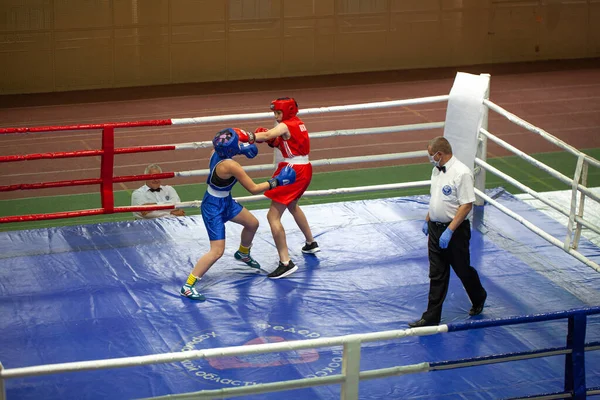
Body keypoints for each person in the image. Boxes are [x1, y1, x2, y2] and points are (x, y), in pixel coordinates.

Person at [180, 128, 296, 301]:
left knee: (252, 223)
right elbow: (253, 189)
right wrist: (277, 181)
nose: (241, 143)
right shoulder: (232, 166)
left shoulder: (215, 152)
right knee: (217, 251)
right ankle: (188, 286)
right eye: (238, 143)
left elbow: (224, 149)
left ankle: (243, 253)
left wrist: (240, 149)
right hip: (213, 208)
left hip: (224, 201)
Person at [409, 136, 487, 327]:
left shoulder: (462, 173)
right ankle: (431, 317)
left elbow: (466, 205)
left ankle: (479, 296)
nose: (430, 158)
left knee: (462, 270)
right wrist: (428, 219)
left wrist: (450, 230)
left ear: (440, 154)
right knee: (437, 274)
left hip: (455, 231)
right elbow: (436, 199)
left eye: (431, 155)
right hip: (436, 229)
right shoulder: (436, 171)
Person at [251, 97, 320, 280]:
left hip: (292, 171)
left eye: (278, 112)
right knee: (292, 205)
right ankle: (311, 242)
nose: (276, 115)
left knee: (272, 216)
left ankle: (285, 262)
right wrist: (273, 140)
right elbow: (282, 141)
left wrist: (246, 137)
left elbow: (266, 136)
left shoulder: (285, 125)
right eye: (274, 112)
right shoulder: (298, 123)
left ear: (287, 111)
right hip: (304, 168)